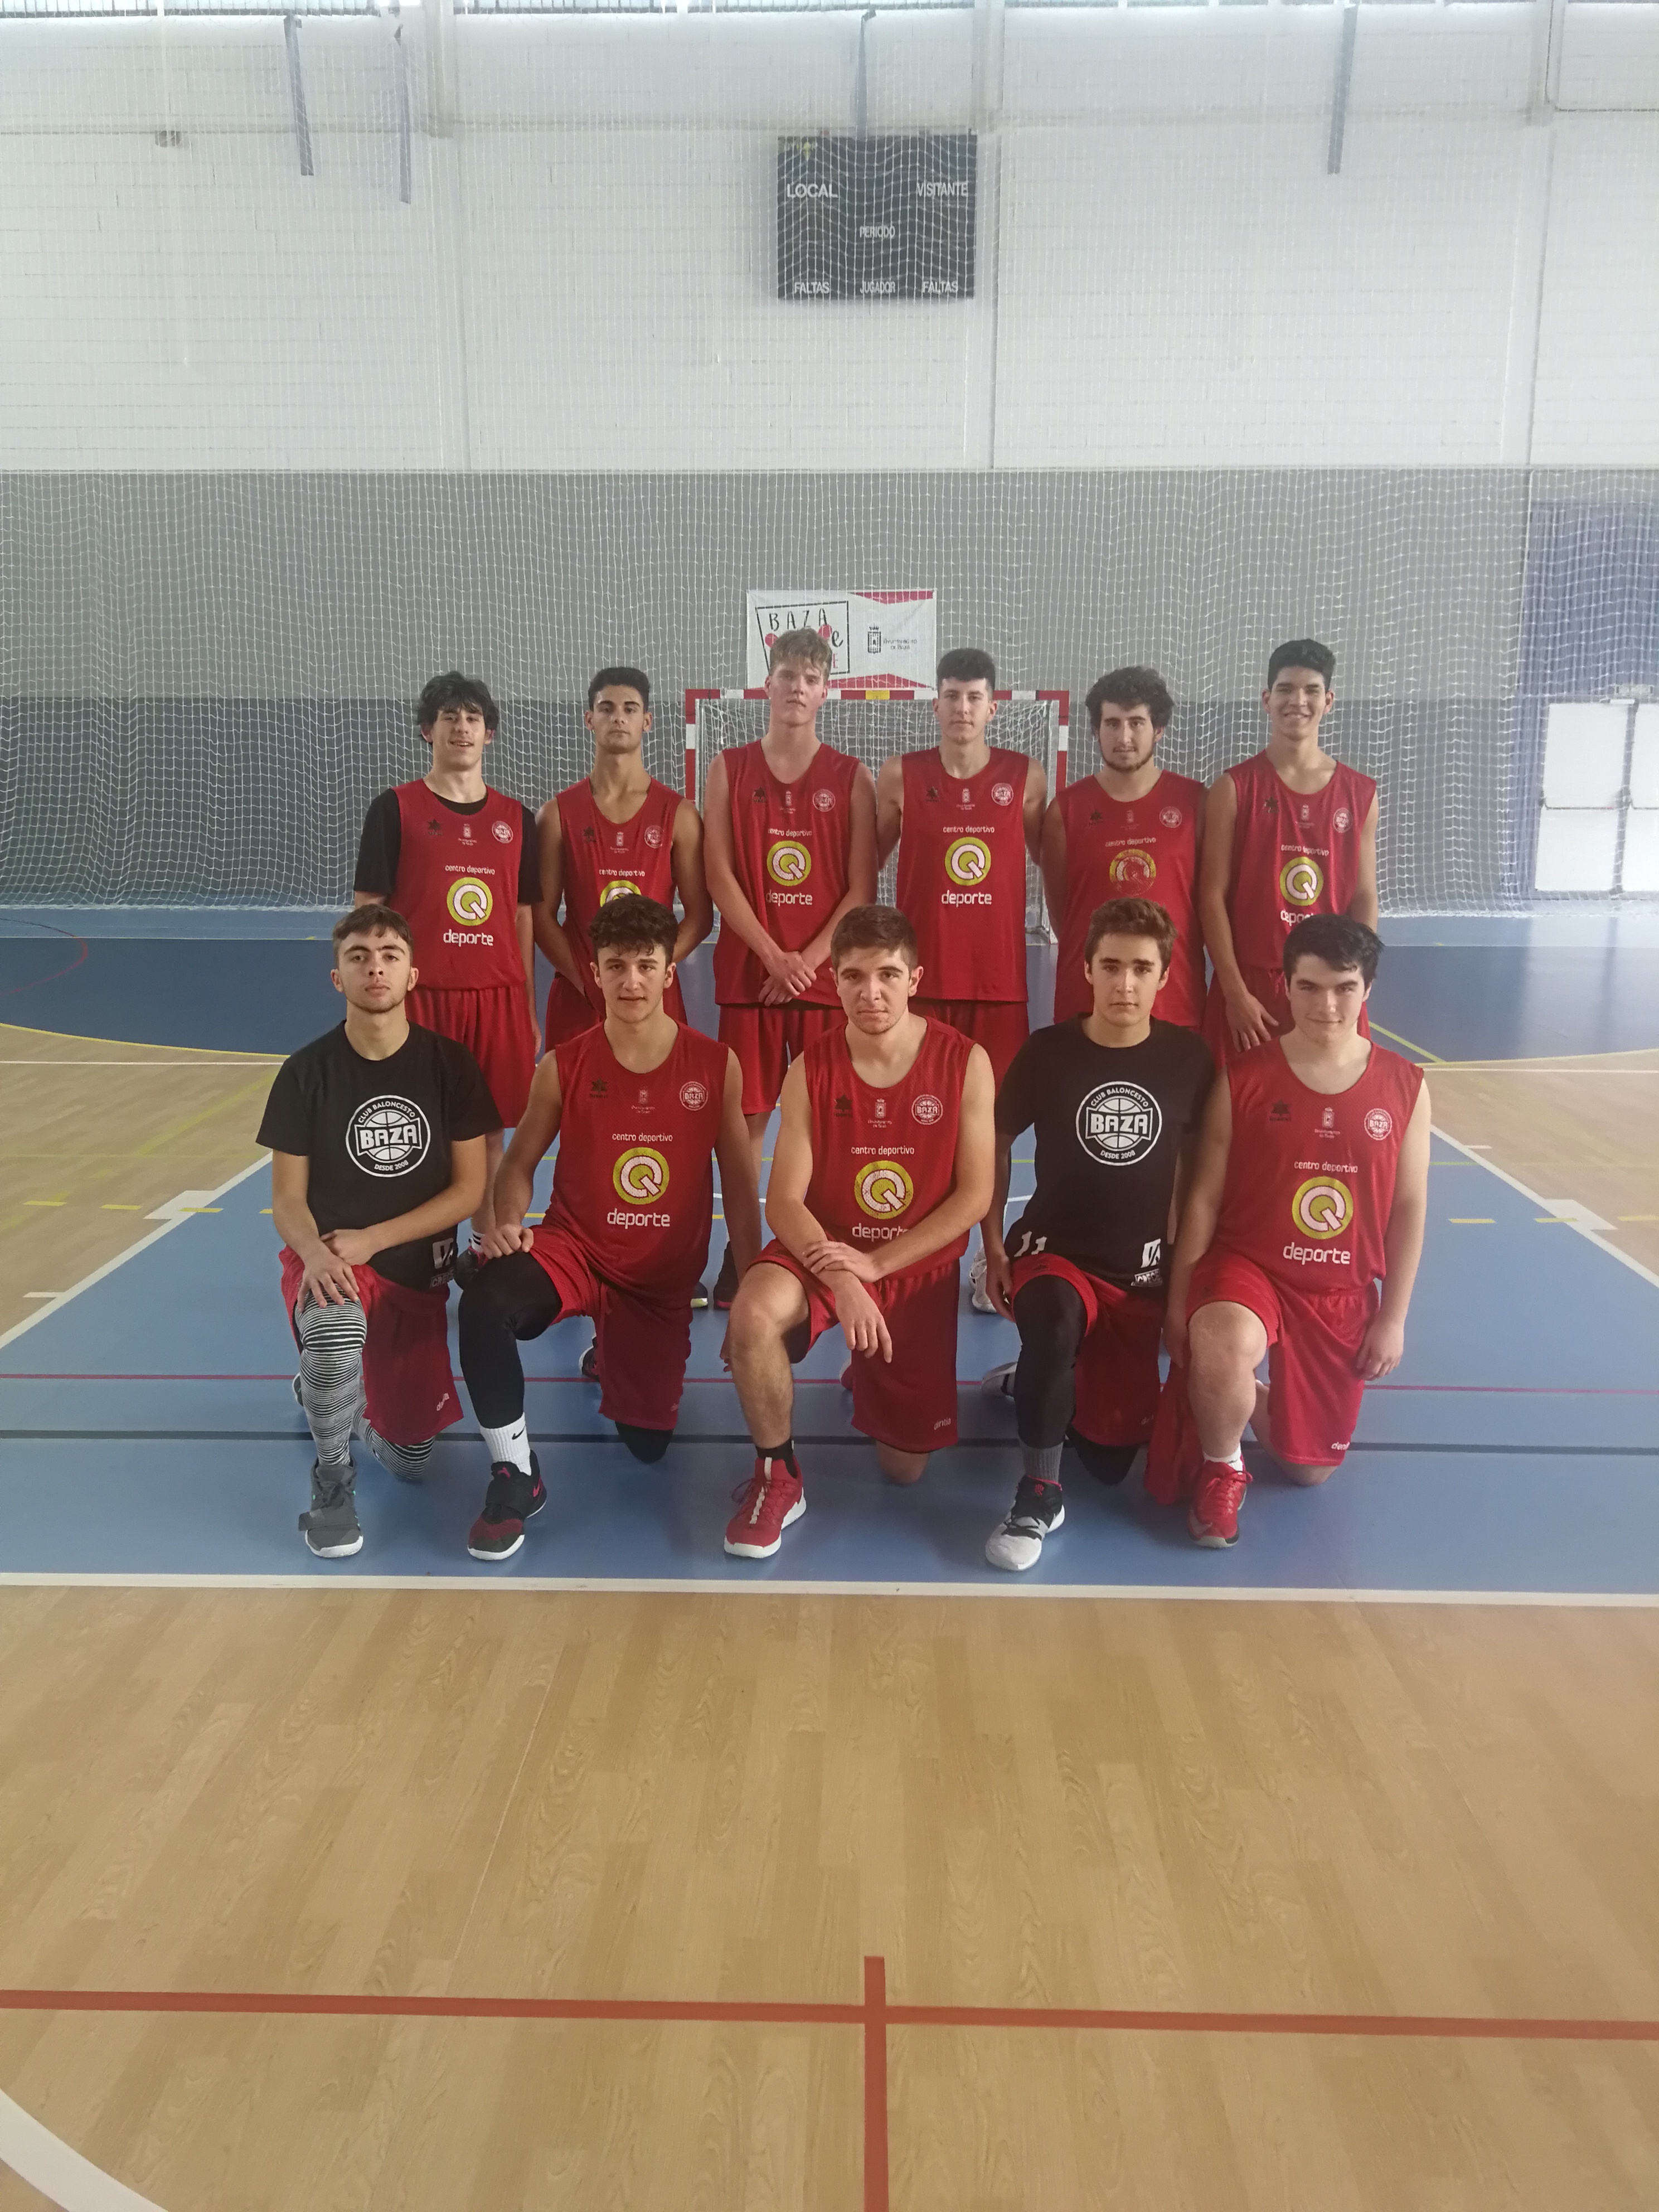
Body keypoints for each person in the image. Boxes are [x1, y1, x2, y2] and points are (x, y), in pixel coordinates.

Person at [456, 896, 760, 1562]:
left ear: (670, 972)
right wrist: (507, 1223)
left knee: (647, 1444)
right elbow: (518, 1164)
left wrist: (751, 1280)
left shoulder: (715, 1065)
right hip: (576, 1249)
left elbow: (740, 1187)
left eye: (646, 965)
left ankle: (612, 1345)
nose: (631, 981)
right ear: (594, 972)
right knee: (485, 1300)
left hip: (658, 1278)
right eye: (616, 966)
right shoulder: (564, 1064)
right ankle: (515, 1472)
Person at [722, 904, 995, 1560]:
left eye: (888, 975)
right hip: (825, 1249)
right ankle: (778, 1475)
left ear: (915, 978)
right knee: (753, 1314)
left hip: (914, 1264)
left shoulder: (965, 1061)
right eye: (854, 976)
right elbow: (784, 1200)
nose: (871, 992)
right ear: (835, 981)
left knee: (904, 1469)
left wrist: (878, 1266)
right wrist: (847, 1276)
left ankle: (867, 1369)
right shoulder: (809, 1068)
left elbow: (975, 1195)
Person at [1162, 914, 1430, 1548]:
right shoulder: (1243, 1078)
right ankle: (1223, 1468)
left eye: (1343, 988)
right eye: (1309, 987)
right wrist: (1180, 1302)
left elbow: (1409, 1205)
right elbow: (1203, 1198)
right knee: (1222, 1339)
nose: (1326, 1005)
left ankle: (1231, 1391)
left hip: (1339, 1287)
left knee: (1308, 1470)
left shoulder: (1405, 1086)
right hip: (1249, 1266)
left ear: (1367, 990)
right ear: (1284, 986)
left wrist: (1394, 1317)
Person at [978, 898, 1213, 1571]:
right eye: (1111, 966)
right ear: (1086, 968)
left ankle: (1039, 1376)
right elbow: (995, 1141)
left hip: (1139, 1271)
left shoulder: (1188, 1059)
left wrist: (1182, 1283)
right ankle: (1038, 1494)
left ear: (1165, 975)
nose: (1125, 984)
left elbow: (1198, 1180)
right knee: (1054, 1322)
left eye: (1141, 968)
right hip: (1054, 1255)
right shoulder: (1048, 1051)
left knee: (1109, 1462)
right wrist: (991, 1245)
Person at [259, 905, 499, 1559]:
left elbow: (469, 1190)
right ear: (337, 976)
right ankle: (332, 1481)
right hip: (334, 1256)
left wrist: (377, 1237)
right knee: (336, 1323)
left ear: (412, 974)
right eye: (359, 956)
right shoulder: (305, 1072)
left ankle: (327, 1390)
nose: (375, 967)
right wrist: (314, 1251)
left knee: (413, 1456)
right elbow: (287, 1198)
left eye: (390, 954)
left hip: (415, 1273)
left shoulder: (449, 1065)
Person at [704, 627, 879, 1307]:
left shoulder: (853, 776)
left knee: (830, 1126)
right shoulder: (728, 768)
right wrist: (772, 955)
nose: (798, 688)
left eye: (811, 678)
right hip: (752, 978)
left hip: (824, 983)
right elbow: (718, 875)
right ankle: (744, 1255)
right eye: (788, 675)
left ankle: (824, 1254)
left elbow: (861, 887)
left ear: (826, 691)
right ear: (767, 684)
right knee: (744, 1129)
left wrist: (804, 961)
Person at [353, 670, 540, 1250]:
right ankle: (414, 1253)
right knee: (416, 1132)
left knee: (490, 1133)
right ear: (426, 730)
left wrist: (527, 1005)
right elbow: (369, 912)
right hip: (424, 996)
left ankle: (486, 1246)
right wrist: (377, 1000)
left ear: (490, 734)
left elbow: (523, 917)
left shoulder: (517, 819)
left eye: (473, 718)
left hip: (497, 996)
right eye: (450, 717)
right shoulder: (394, 809)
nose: (462, 727)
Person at [1199, 639, 1378, 1063]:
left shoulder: (1361, 794)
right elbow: (1211, 895)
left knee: (1328, 1096)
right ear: (1267, 699)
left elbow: (1364, 894)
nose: (1298, 701)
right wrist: (1234, 991)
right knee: (1233, 1101)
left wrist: (1356, 979)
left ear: (1328, 701)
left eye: (1311, 690)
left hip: (1328, 983)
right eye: (1286, 689)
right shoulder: (1233, 788)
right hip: (1252, 988)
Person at [879, 646, 1046, 1086]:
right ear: (936, 705)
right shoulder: (899, 775)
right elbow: (866, 863)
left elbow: (1050, 860)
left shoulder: (1026, 776)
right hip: (922, 977)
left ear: (992, 708)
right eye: (952, 696)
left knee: (998, 1112)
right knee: (923, 1106)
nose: (963, 708)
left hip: (999, 980)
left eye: (974, 697)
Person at [535, 664, 712, 1050]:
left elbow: (700, 916)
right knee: (569, 1089)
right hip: (581, 993)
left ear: (647, 721)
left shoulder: (679, 815)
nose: (618, 717)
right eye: (607, 708)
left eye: (630, 709)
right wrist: (588, 979)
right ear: (589, 719)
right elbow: (540, 915)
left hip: (654, 996)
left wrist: (650, 972)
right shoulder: (556, 815)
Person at [1042, 666, 1205, 1031]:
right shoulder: (1066, 810)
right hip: (1088, 1001)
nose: (1124, 737)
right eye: (1113, 724)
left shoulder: (1196, 803)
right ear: (1096, 730)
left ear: (1158, 729)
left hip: (1175, 1000)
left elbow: (1207, 902)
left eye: (1136, 723)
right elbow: (1063, 914)